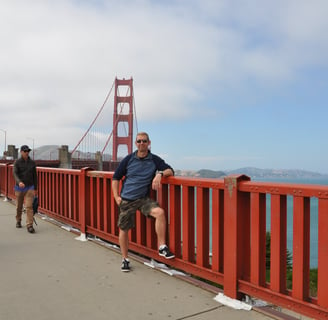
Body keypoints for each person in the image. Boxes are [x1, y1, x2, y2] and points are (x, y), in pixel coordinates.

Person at [112, 132, 175, 272]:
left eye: (144, 141)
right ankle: (125, 259)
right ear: (135, 143)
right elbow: (115, 178)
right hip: (127, 200)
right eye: (139, 141)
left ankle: (162, 247)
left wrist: (159, 174)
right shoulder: (128, 159)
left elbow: (170, 170)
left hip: (142, 199)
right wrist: (117, 197)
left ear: (149, 143)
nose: (142, 144)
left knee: (159, 213)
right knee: (124, 229)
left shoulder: (154, 159)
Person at [13, 145, 38, 233]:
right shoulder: (17, 162)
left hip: (30, 187)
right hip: (19, 188)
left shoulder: (32, 163)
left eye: (28, 151)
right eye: (25, 151)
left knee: (29, 206)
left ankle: (29, 225)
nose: (27, 152)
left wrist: (35, 188)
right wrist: (19, 182)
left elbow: (35, 176)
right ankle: (18, 220)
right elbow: (15, 173)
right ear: (21, 152)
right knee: (19, 206)